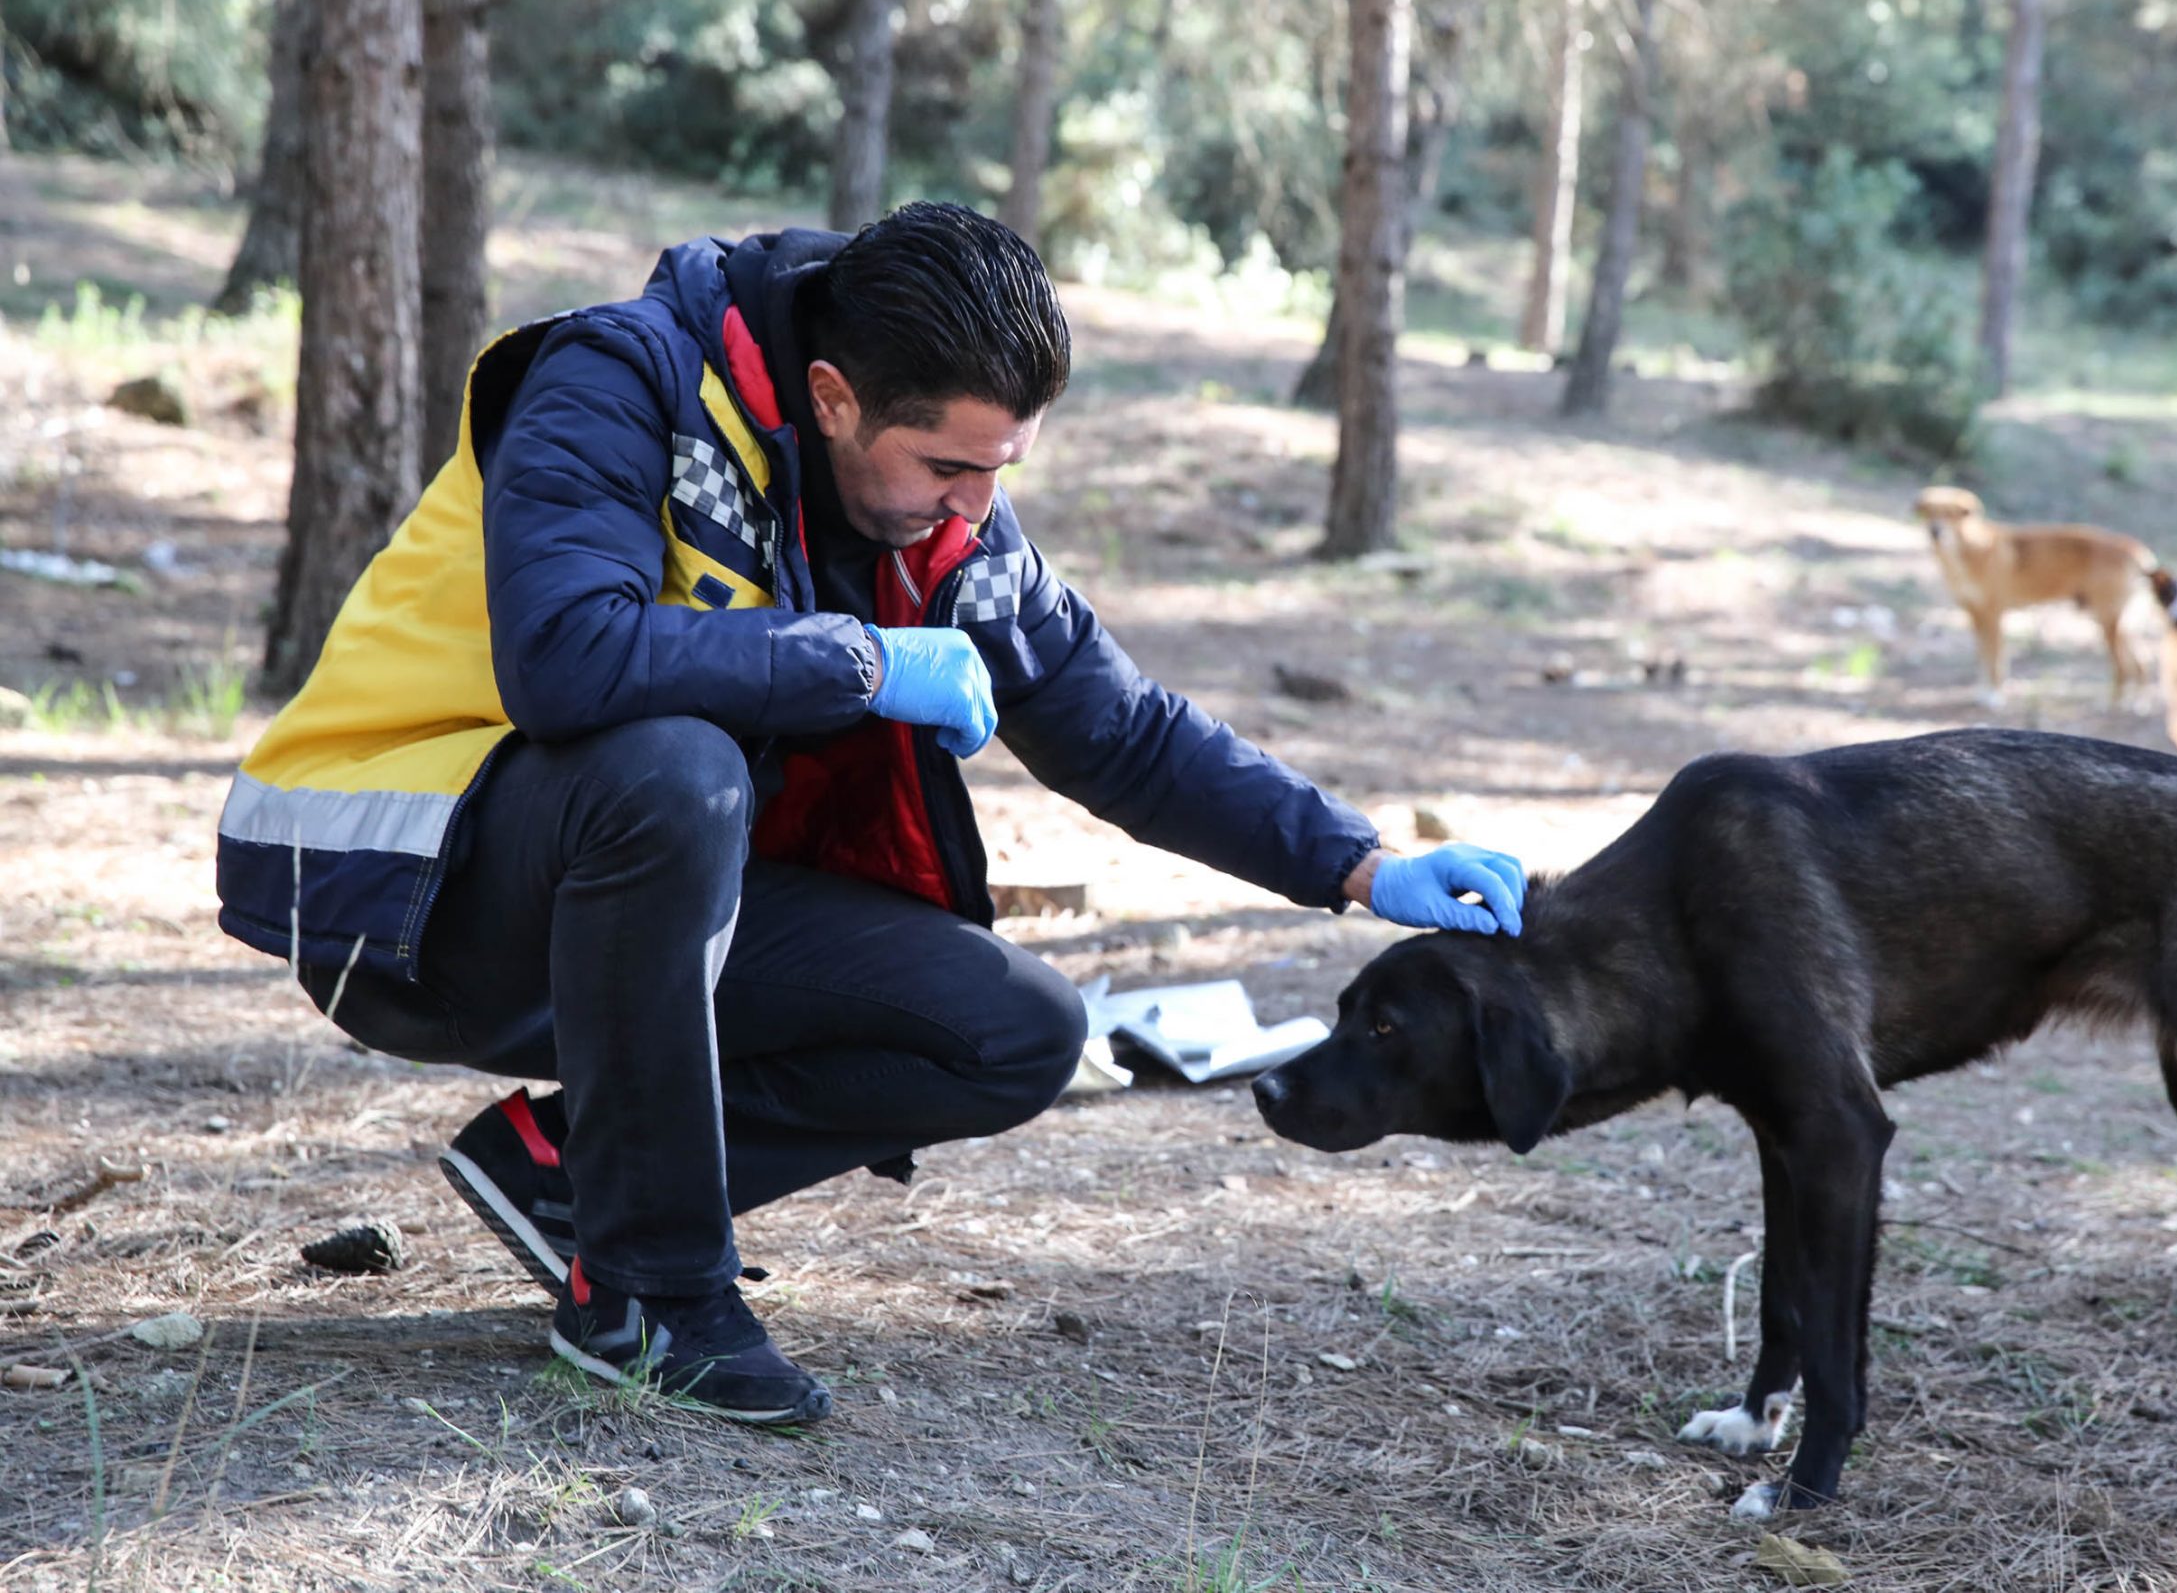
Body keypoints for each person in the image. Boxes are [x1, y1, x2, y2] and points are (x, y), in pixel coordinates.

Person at [214, 204, 1526, 1425]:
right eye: (949, 464)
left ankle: (572, 1176)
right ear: (834, 398)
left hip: (625, 897)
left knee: (1013, 1030)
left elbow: (1118, 728)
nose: (978, 503)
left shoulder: (942, 520)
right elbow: (566, 657)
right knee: (674, 768)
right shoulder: (619, 380)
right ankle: (649, 1295)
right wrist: (854, 662)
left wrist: (1360, 864)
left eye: (1000, 469)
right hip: (397, 890)